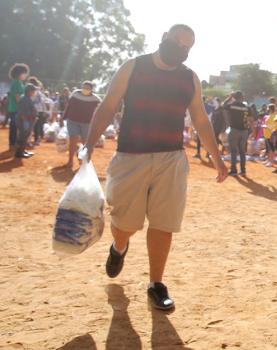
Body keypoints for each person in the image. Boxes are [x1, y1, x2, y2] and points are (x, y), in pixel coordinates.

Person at [83, 24, 228, 310]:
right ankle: (119, 246)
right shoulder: (133, 67)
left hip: (171, 159)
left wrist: (217, 157)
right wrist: (88, 146)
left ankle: (156, 283)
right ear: (164, 38)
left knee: (164, 223)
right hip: (130, 157)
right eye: (178, 42)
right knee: (124, 224)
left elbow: (200, 118)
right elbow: (108, 106)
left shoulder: (189, 78)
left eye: (188, 47)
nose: (182, 50)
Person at [60, 81, 101, 168]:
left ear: (91, 89)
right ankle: (70, 161)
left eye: (88, 88)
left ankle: (83, 161)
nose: (85, 89)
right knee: (72, 141)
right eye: (84, 87)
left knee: (85, 143)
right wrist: (63, 117)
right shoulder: (75, 94)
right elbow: (68, 106)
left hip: (87, 123)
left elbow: (101, 109)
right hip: (72, 120)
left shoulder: (96, 99)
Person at [223, 91, 249, 176]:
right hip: (244, 131)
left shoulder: (231, 106)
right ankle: (243, 170)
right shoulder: (246, 107)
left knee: (233, 151)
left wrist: (229, 97)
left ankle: (234, 170)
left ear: (234, 97)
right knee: (242, 151)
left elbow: (223, 105)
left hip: (234, 130)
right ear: (242, 97)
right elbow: (253, 117)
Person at [6, 63, 29, 150]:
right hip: (16, 109)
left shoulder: (18, 83)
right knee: (15, 127)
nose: (26, 75)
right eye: (24, 73)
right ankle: (13, 145)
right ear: (20, 73)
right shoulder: (17, 83)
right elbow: (17, 98)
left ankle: (13, 144)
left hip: (15, 109)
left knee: (15, 127)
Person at [14, 84, 38, 158]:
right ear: (29, 91)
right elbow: (22, 112)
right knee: (23, 136)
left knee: (25, 136)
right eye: (33, 91)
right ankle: (19, 152)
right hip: (24, 121)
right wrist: (25, 122)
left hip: (27, 120)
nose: (34, 93)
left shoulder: (27, 98)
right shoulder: (25, 99)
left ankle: (22, 150)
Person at [27, 77, 48, 146]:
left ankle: (31, 140)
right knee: (37, 126)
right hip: (40, 110)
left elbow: (34, 101)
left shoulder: (33, 91)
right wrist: (44, 111)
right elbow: (43, 102)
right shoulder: (39, 92)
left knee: (32, 126)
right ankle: (36, 140)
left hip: (34, 110)